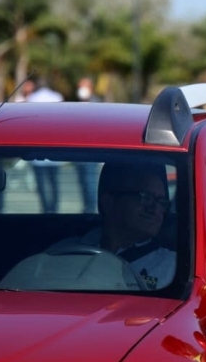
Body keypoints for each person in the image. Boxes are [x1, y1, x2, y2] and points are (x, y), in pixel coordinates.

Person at [73, 161, 175, 290]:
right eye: (145, 197)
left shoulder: (175, 267)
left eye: (161, 202)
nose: (154, 208)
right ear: (109, 203)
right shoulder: (65, 253)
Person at [26, 77, 64, 213]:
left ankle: (45, 209)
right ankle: (55, 209)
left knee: (41, 184)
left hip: (37, 149)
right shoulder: (57, 97)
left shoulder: (32, 98)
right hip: (55, 148)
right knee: (54, 183)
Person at [74, 76, 101, 213]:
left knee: (90, 182)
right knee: (82, 183)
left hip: (91, 153)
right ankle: (86, 208)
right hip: (78, 153)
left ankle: (91, 210)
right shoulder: (74, 106)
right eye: (80, 86)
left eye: (84, 86)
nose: (81, 89)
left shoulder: (97, 105)